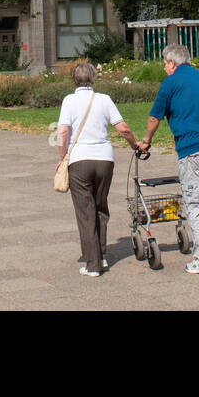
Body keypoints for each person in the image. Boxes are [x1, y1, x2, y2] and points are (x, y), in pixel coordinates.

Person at [141, 44, 199, 275]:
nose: (164, 68)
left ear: (172, 63)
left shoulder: (170, 82)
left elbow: (154, 117)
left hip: (192, 151)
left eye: (165, 64)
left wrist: (146, 140)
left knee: (196, 205)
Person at [55, 63, 142, 277]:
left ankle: (93, 264)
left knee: (85, 211)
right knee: (100, 207)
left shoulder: (69, 101)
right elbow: (122, 128)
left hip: (80, 161)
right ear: (93, 79)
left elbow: (63, 131)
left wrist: (62, 157)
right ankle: (101, 254)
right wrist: (134, 144)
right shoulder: (104, 99)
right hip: (104, 160)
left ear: (74, 80)